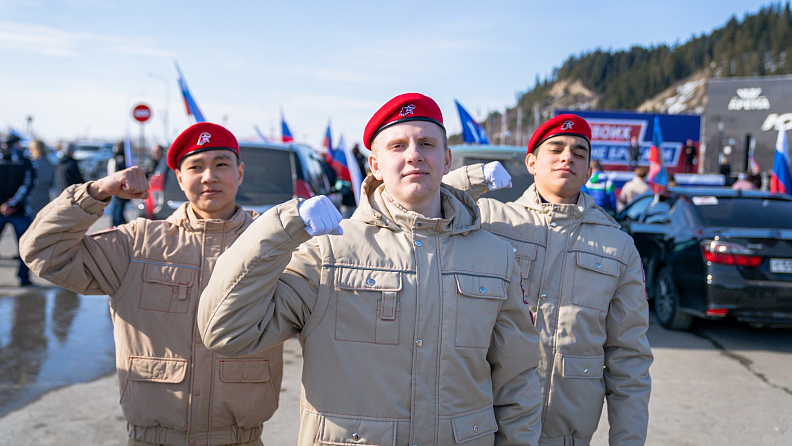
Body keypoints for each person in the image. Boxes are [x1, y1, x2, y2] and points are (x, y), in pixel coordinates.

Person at [197, 93, 543, 445]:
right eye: (397, 146)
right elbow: (225, 331)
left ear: (446, 160)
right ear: (375, 165)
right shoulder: (330, 250)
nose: (414, 154)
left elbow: (517, 380)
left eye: (426, 143)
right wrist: (280, 228)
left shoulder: (495, 256)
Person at [21, 122, 283, 445]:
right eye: (195, 167)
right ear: (179, 178)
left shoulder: (272, 245)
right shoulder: (139, 243)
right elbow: (43, 252)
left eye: (221, 165)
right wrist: (96, 193)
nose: (208, 177)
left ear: (239, 173)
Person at [444, 113, 653, 445]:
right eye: (555, 149)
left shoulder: (617, 245)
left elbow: (629, 358)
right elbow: (429, 201)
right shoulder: (492, 221)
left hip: (565, 433)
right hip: (483, 427)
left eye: (579, 153)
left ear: (588, 171)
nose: (567, 157)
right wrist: (475, 177)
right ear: (531, 162)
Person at [0, 135, 36, 286]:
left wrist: (6, 204)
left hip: (14, 210)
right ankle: (23, 278)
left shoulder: (24, 161)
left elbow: (28, 183)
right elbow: (28, 183)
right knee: (24, 246)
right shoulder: (25, 161)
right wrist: (12, 203)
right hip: (18, 210)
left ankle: (24, 277)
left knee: (24, 247)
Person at [28, 139, 55, 216]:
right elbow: (53, 184)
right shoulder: (50, 164)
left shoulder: (31, 164)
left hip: (31, 196)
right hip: (45, 196)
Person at [107, 141, 129, 226]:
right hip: (119, 187)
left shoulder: (114, 159)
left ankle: (116, 224)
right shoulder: (121, 159)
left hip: (114, 186)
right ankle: (117, 224)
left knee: (117, 208)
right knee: (118, 208)